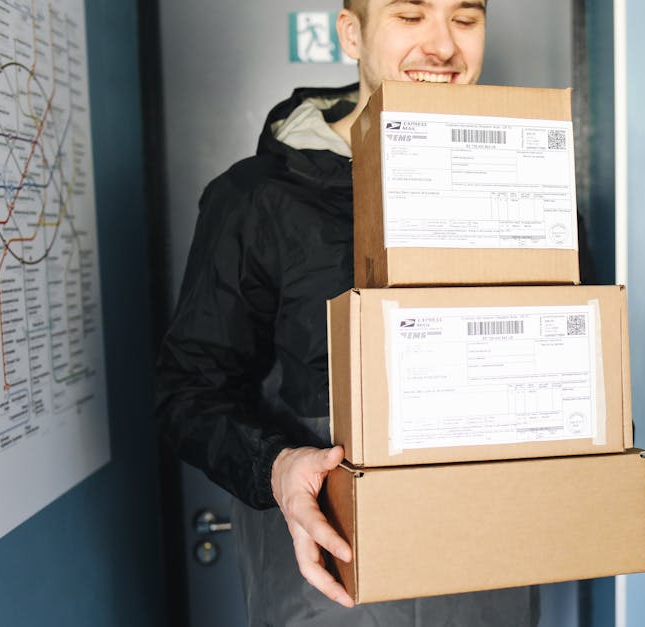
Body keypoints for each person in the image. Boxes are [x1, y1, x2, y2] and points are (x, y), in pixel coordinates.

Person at [156, 0, 541, 625]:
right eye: (410, 17)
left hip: (487, 569)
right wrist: (277, 464)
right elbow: (187, 394)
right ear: (351, 32)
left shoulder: (532, 192)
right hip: (329, 578)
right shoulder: (256, 200)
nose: (442, 47)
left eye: (465, 20)